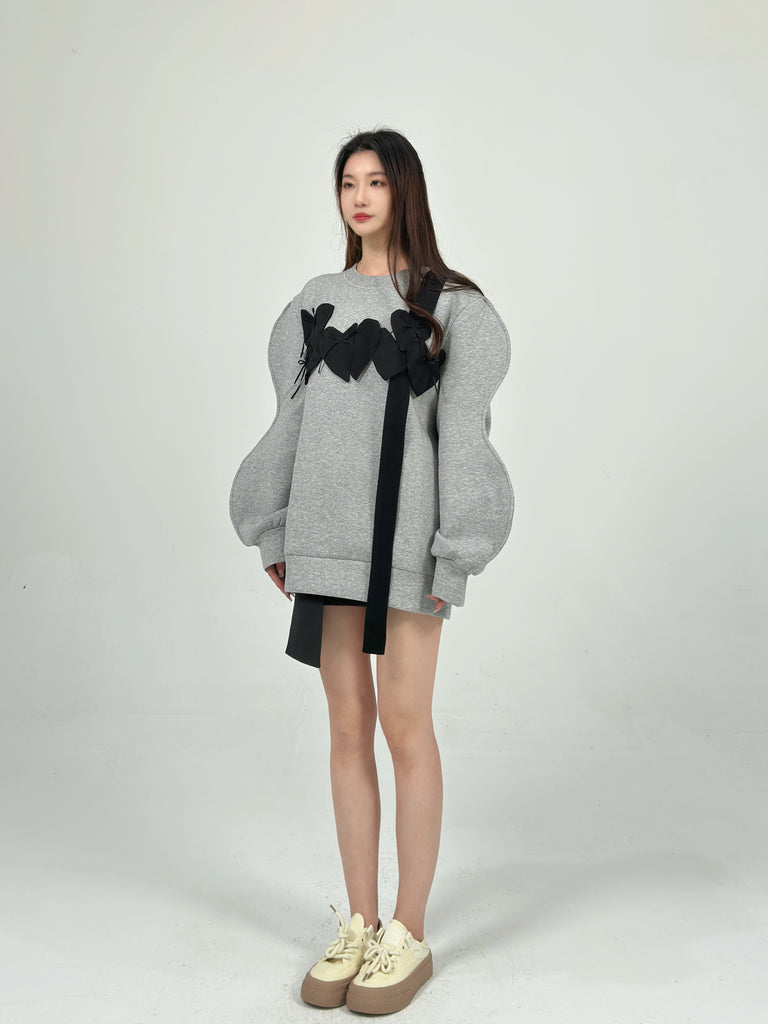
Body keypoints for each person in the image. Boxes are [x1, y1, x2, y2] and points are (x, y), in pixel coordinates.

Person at [229, 127, 514, 1015]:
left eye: (376, 182)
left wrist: (457, 553)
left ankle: (408, 930)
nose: (359, 197)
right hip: (323, 543)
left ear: (405, 192)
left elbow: (462, 440)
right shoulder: (313, 301)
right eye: (348, 182)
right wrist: (273, 528)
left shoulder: (453, 309)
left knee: (405, 727)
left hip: (407, 550)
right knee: (347, 728)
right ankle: (357, 919)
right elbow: (289, 421)